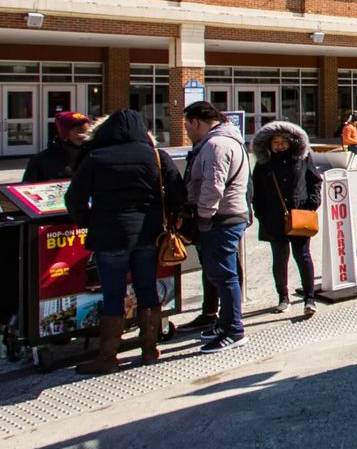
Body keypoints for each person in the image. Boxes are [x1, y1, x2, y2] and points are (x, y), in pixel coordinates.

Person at [65, 109, 185, 374]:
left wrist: (88, 221)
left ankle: (108, 356)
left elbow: (74, 199)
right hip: (148, 235)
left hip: (109, 236)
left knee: (113, 294)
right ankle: (149, 349)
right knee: (147, 289)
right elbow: (178, 193)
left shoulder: (96, 157)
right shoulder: (156, 156)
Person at [183, 100, 251, 353]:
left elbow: (213, 186)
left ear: (196, 122)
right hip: (226, 216)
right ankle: (224, 324)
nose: (186, 131)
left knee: (224, 275)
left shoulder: (216, 145)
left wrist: (203, 217)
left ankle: (234, 330)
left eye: (187, 126)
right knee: (222, 274)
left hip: (221, 218)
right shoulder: (227, 140)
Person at [250, 120, 321, 318]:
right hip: (273, 217)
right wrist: (261, 213)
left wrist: (312, 203)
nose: (280, 146)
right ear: (269, 144)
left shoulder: (302, 158)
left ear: (291, 142)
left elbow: (315, 180)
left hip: (300, 214)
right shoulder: (264, 163)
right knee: (280, 258)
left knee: (303, 256)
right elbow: (255, 190)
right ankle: (283, 297)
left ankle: (309, 298)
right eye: (276, 142)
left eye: (283, 142)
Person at [22, 110, 93, 182]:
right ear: (65, 135)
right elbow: (27, 186)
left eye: (88, 132)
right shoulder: (41, 160)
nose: (85, 136)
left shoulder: (93, 156)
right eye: (80, 131)